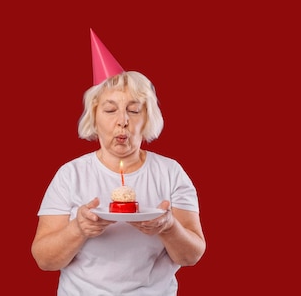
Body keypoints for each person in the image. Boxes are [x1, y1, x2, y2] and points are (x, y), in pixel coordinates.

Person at [31, 28, 206, 296]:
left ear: (147, 118)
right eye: (110, 109)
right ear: (94, 118)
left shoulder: (171, 173)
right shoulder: (70, 174)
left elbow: (192, 255)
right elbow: (44, 260)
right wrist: (79, 228)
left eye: (134, 110)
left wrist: (169, 227)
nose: (122, 120)